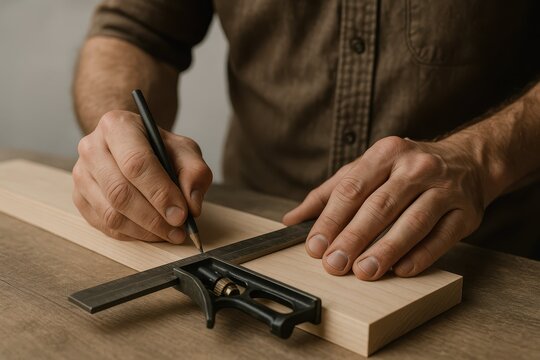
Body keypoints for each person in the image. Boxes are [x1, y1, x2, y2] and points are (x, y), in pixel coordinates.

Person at [72, 1, 540, 281]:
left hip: (493, 252)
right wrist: (121, 135)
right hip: (253, 227)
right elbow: (133, 32)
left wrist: (483, 158)